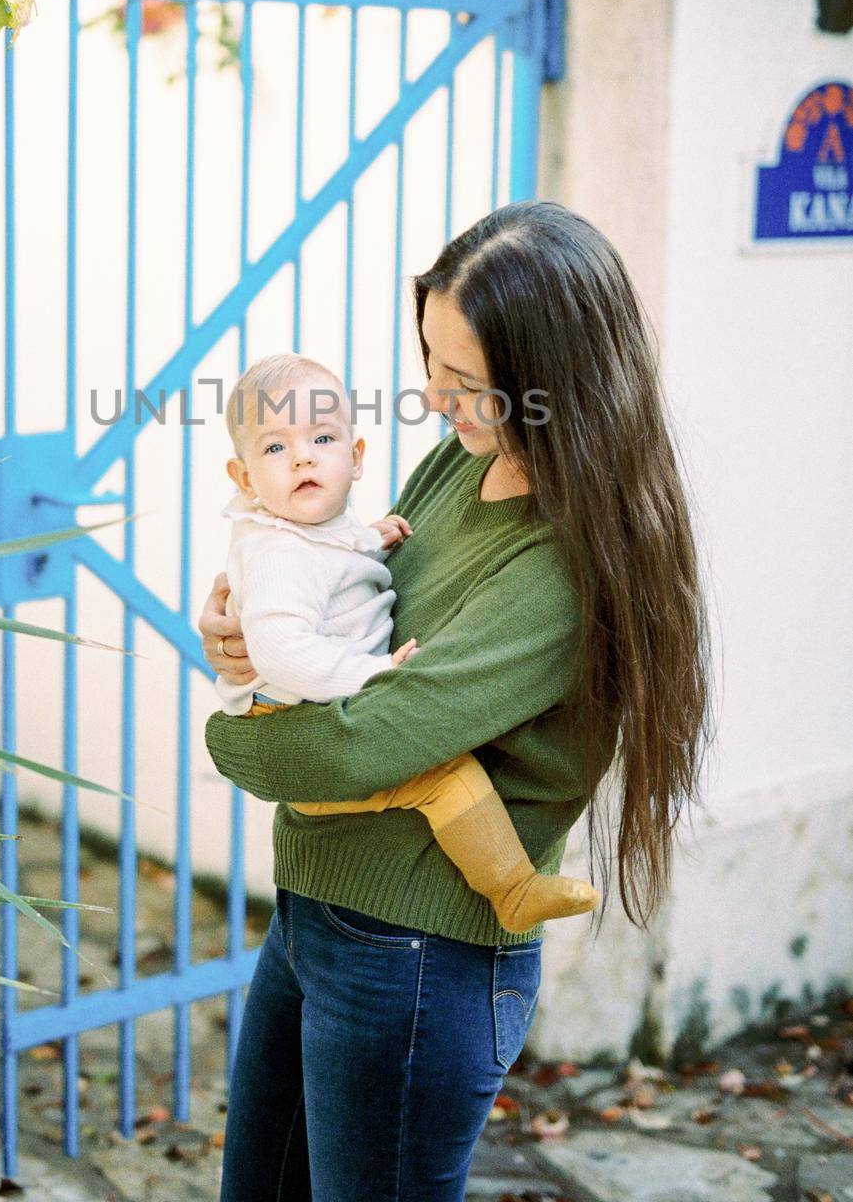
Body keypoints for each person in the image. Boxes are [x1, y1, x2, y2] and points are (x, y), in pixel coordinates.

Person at [198, 201, 712, 1202]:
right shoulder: (460, 459)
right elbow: (344, 616)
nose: (434, 400)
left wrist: (233, 739)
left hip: (417, 962)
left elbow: (361, 745)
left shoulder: (560, 569)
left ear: (551, 384)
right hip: (315, 910)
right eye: (430, 364)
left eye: (465, 381)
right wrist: (237, 634)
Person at [215, 349, 600, 932]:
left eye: (321, 439)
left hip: (414, 935)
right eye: (274, 448)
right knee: (447, 779)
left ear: (356, 455)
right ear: (244, 478)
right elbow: (285, 647)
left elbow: (333, 578)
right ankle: (512, 889)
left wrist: (368, 539)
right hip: (297, 745)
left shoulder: (548, 560)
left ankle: (513, 889)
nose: (300, 458)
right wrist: (370, 675)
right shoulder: (280, 550)